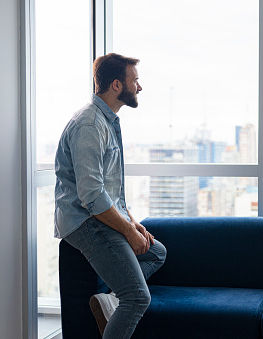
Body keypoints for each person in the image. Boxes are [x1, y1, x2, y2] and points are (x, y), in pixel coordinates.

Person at [54, 53, 167, 338]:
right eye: (135, 81)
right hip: (85, 222)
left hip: (99, 215)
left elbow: (111, 189)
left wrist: (132, 222)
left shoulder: (107, 121)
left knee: (156, 252)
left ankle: (109, 301)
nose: (139, 87)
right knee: (138, 298)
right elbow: (91, 196)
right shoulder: (89, 125)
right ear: (117, 85)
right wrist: (128, 232)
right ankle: (121, 299)